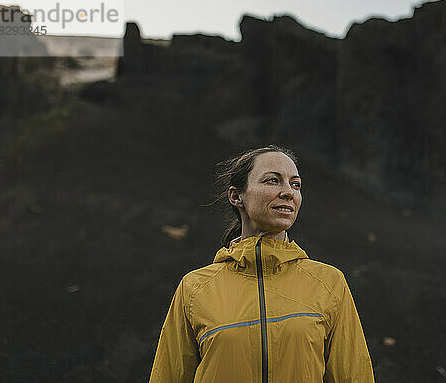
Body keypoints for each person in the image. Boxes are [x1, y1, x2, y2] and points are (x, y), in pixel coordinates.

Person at [149, 145, 375, 382]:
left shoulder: (328, 283)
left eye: (295, 184)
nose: (288, 192)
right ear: (237, 196)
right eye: (272, 181)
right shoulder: (194, 289)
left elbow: (354, 376)